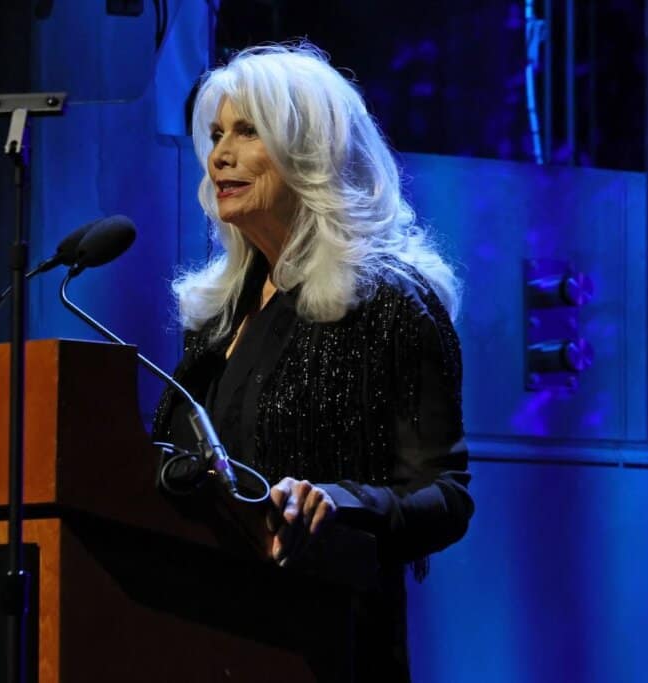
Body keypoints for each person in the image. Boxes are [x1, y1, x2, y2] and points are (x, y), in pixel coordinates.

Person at [151, 42, 473, 681]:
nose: (220, 155)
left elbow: (445, 496)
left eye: (248, 132)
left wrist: (337, 502)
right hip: (202, 634)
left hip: (327, 643)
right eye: (216, 135)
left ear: (311, 152)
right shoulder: (219, 314)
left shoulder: (390, 301)